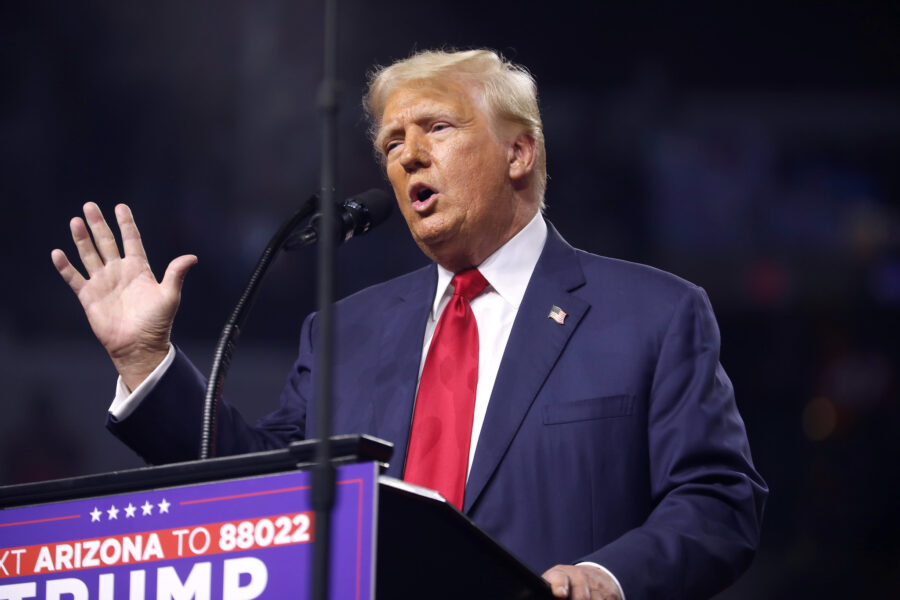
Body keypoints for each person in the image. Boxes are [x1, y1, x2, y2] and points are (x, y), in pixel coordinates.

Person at [52, 49, 768, 600]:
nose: (407, 155)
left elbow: (718, 502)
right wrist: (147, 361)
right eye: (392, 143)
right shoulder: (344, 331)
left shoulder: (653, 313)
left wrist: (605, 577)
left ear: (519, 153)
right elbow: (260, 485)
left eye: (437, 127)